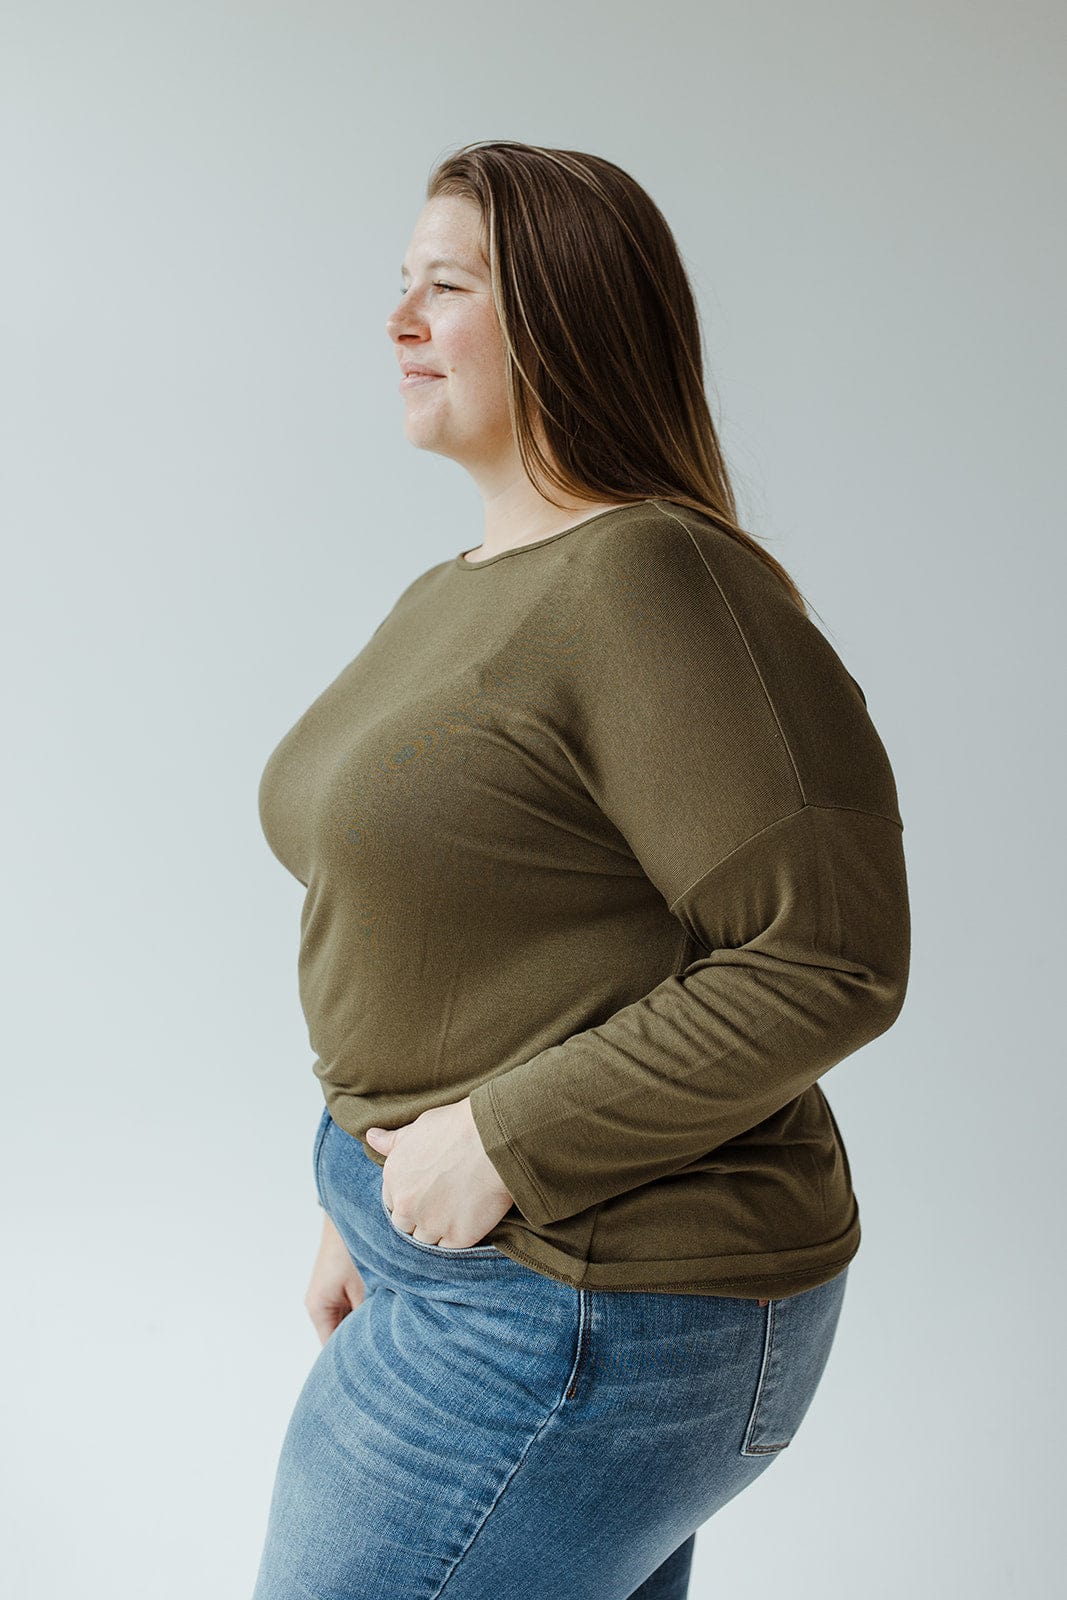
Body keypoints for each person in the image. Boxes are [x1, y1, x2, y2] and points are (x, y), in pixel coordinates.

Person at [250, 139, 911, 1600]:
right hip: (464, 1259)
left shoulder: (654, 580)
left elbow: (828, 957)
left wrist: (492, 1146)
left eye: (446, 286)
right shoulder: (456, 592)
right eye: (401, 282)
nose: (398, 320)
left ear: (567, 316)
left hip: (575, 1297)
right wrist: (358, 1195)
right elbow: (457, 941)